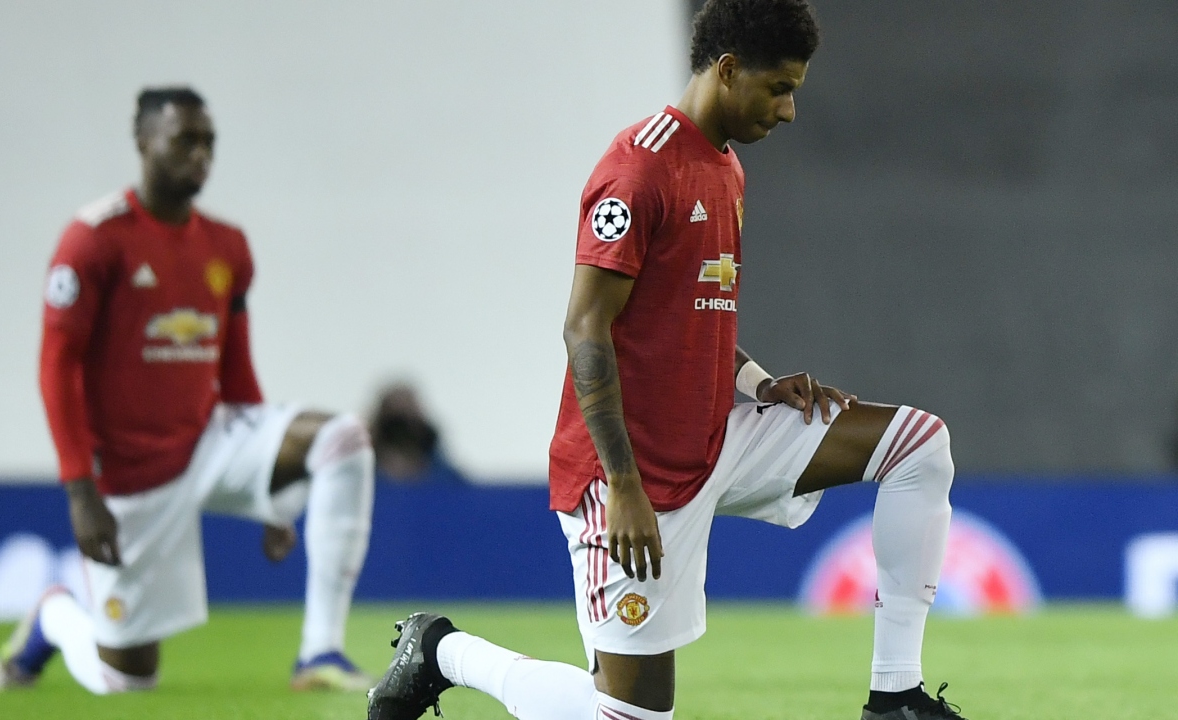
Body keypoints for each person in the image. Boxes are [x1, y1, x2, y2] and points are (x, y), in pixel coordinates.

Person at [366, 2, 966, 719]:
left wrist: (760, 384)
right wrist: (623, 486)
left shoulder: (727, 169)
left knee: (918, 445)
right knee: (629, 717)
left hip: (716, 439)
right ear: (728, 69)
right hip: (628, 474)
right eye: (779, 88)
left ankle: (894, 696)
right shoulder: (638, 169)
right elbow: (584, 329)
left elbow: (689, 320)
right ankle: (441, 650)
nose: (789, 110)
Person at [0, 87, 375, 694]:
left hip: (209, 439)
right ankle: (55, 616)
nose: (200, 154)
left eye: (209, 142)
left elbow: (235, 365)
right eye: (184, 140)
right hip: (131, 471)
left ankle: (319, 651)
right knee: (125, 681)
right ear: (143, 142)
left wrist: (269, 495)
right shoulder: (93, 239)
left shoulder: (227, 245)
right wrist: (80, 490)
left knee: (342, 439)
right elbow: (56, 365)